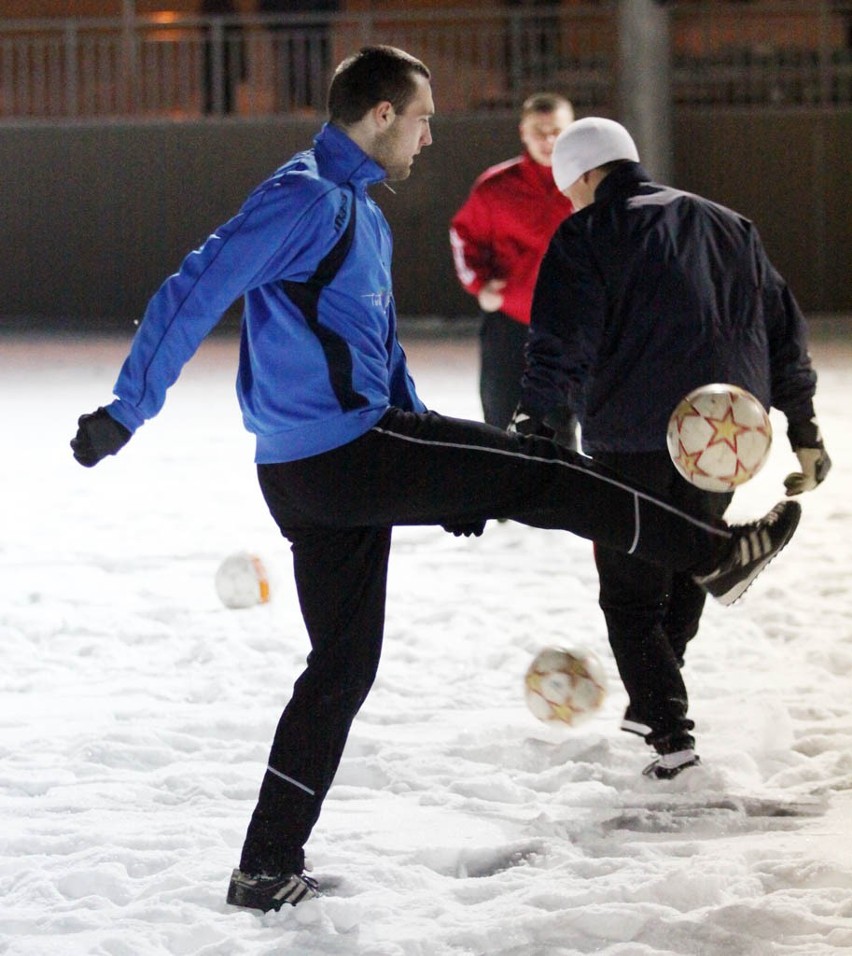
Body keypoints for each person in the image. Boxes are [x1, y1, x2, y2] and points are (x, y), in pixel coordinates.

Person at [70, 51, 801, 914]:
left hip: (321, 469)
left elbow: (378, 353)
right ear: (380, 114)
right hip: (344, 455)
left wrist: (438, 463)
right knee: (547, 469)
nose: (428, 135)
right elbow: (196, 286)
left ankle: (265, 866)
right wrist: (128, 407)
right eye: (422, 117)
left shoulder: (358, 214)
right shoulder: (305, 197)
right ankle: (714, 557)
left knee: (341, 667)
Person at [513, 116, 830, 780]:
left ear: (586, 175)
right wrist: (803, 429)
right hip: (726, 433)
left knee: (629, 593)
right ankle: (661, 696)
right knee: (691, 561)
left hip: (634, 432)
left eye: (568, 186)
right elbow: (783, 328)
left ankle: (669, 735)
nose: (569, 198)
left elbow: (560, 335)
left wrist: (536, 417)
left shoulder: (588, 231)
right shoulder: (730, 224)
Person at [450, 92, 576, 437]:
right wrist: (479, 286)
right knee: (503, 424)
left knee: (564, 431)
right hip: (510, 326)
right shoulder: (496, 187)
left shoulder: (588, 184)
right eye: (539, 130)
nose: (548, 140)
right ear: (523, 131)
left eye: (557, 130)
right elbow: (463, 236)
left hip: (573, 326)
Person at [201, 0, 245, 116]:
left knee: (219, 83)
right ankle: (222, 111)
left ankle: (216, 111)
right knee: (222, 83)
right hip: (224, 48)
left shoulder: (211, 7)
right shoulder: (225, 8)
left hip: (221, 48)